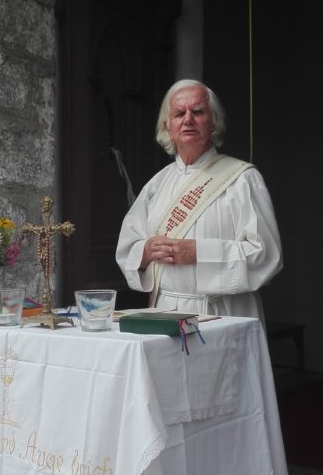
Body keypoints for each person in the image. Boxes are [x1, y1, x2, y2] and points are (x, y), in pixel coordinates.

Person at [116, 79, 283, 320]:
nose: (188, 119)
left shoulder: (243, 179)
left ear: (214, 121)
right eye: (179, 113)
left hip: (225, 313)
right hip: (165, 313)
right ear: (168, 126)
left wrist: (199, 252)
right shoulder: (156, 185)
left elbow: (267, 256)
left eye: (198, 111)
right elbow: (128, 249)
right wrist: (146, 251)